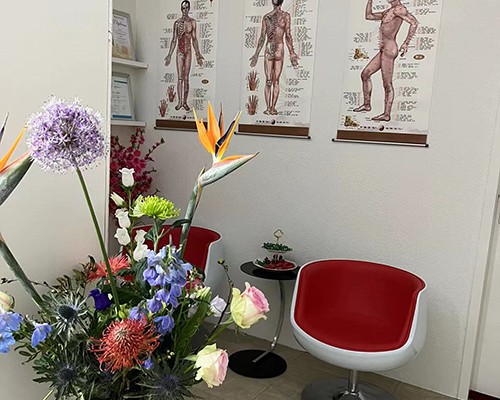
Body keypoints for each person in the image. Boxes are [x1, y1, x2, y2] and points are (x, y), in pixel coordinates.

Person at [353, 0, 418, 122]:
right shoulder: (387, 11)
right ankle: (367, 105)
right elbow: (369, 16)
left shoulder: (400, 9)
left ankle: (386, 114)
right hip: (383, 50)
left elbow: (414, 23)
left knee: (387, 84)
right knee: (365, 74)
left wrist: (406, 43)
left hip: (389, 50)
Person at [250, 0, 299, 116]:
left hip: (270, 48)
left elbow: (262, 38)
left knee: (269, 81)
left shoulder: (267, 17)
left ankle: (269, 108)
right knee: (275, 81)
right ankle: (272, 108)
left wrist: (256, 54)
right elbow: (287, 36)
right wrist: (292, 53)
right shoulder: (285, 16)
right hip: (278, 49)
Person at [164, 0, 204, 112]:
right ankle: (180, 102)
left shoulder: (192, 22)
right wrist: (169, 55)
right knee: (180, 78)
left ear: (189, 8)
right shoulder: (177, 23)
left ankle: (185, 102)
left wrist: (198, 54)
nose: (184, 10)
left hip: (188, 51)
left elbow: (194, 39)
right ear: (181, 9)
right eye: (183, 8)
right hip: (179, 52)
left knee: (186, 78)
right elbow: (174, 40)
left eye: (186, 8)